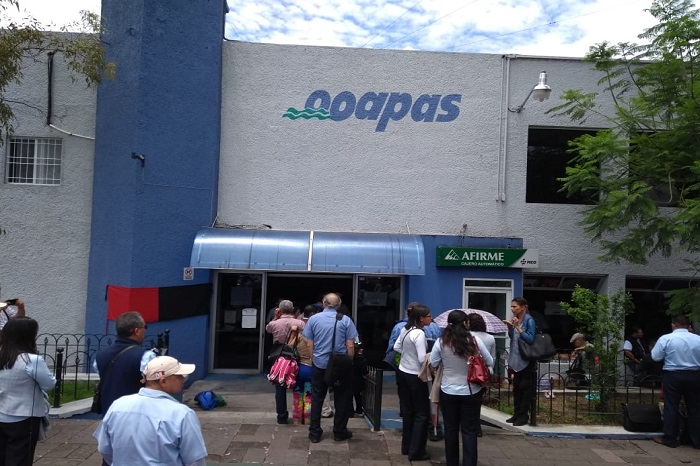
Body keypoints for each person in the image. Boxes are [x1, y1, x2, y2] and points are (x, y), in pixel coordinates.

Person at [93, 355, 208, 465]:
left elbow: (104, 449)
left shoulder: (118, 405)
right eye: (179, 376)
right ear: (163, 381)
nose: (183, 379)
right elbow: (195, 460)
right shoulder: (182, 414)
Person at [430, 310, 494, 466]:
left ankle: (452, 462)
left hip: (447, 390)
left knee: (450, 429)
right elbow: (490, 361)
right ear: (465, 323)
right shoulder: (474, 340)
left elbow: (433, 362)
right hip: (471, 391)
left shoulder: (441, 341)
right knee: (469, 431)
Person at [302, 292, 358, 443]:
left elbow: (309, 343)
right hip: (340, 365)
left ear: (323, 303)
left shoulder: (313, 319)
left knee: (317, 398)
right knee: (342, 398)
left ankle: (314, 432)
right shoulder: (345, 320)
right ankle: (339, 431)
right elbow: (350, 345)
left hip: (319, 363)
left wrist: (313, 359)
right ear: (338, 305)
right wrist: (349, 362)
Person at [0, 316, 56, 465]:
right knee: (20, 459)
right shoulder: (31, 360)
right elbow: (49, 384)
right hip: (24, 417)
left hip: (1, 413)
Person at [650, 315, 700, 449]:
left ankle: (670, 438)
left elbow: (655, 357)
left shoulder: (666, 338)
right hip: (695, 375)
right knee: (695, 407)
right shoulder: (698, 339)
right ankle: (695, 440)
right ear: (688, 326)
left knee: (671, 406)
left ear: (673, 325)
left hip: (673, 375)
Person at [93, 311, 156, 415]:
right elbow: (155, 385)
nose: (145, 330)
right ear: (136, 331)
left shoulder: (99, 355)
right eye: (145, 327)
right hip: (135, 413)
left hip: (109, 412)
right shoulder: (146, 356)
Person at [394, 303, 432, 461]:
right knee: (422, 414)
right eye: (429, 316)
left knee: (408, 412)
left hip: (403, 371)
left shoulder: (405, 329)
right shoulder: (419, 334)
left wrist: (408, 355)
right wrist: (431, 356)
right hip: (416, 376)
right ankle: (416, 451)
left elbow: (396, 347)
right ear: (421, 318)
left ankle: (406, 446)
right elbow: (422, 358)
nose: (431, 318)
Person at [265, 299, 304, 424]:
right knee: (299, 384)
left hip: (279, 357)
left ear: (280, 310)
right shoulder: (300, 323)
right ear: (292, 310)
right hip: (295, 356)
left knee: (280, 386)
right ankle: (300, 414)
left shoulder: (274, 324)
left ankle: (281, 416)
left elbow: (268, 329)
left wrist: (276, 317)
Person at [504, 297, 536, 426]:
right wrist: (510, 328)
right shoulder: (515, 319)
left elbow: (530, 339)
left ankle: (524, 415)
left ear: (523, 307)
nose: (512, 309)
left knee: (525, 388)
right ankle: (516, 414)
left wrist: (518, 328)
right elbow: (513, 338)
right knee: (516, 387)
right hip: (516, 358)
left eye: (515, 306)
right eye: (511, 306)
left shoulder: (529, 320)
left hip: (525, 359)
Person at [466, 313, 496, 437]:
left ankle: (468, 426)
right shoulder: (490, 338)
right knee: (477, 402)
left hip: (470, 371)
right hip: (483, 373)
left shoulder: (467, 337)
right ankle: (477, 427)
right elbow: (492, 358)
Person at [288, 304, 317, 425]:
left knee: (297, 395)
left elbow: (289, 347)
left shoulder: (298, 334)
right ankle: (308, 419)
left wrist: (293, 333)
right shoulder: (315, 336)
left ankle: (296, 420)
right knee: (309, 396)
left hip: (298, 369)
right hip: (310, 369)